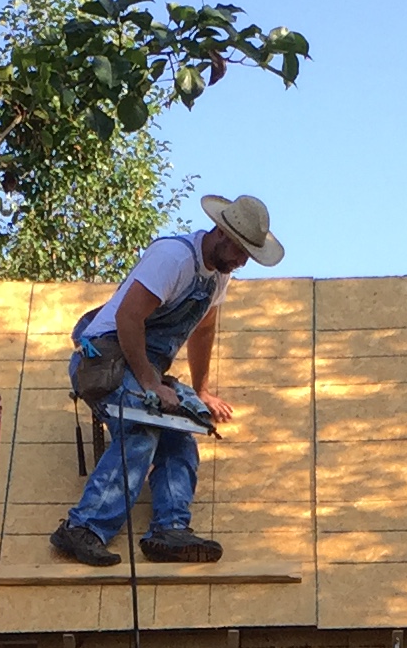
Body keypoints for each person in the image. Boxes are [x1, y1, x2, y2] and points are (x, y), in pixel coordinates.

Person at [47, 192, 284, 568]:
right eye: (240, 251)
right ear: (222, 234)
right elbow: (128, 318)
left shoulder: (217, 277)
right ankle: (83, 527)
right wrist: (149, 383)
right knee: (141, 427)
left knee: (179, 438)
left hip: (144, 366)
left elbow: (203, 330)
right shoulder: (173, 258)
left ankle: (169, 530)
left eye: (248, 256)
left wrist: (201, 390)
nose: (241, 262)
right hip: (105, 358)